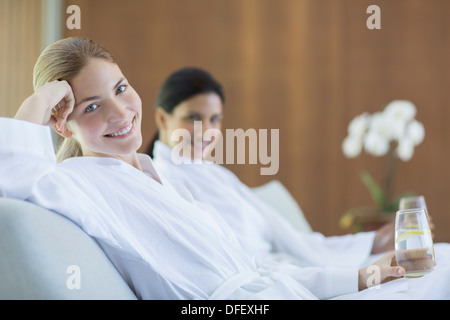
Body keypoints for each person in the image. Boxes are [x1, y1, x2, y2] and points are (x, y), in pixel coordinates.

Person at [0, 37, 405, 300]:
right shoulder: (79, 183)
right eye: (92, 106)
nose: (121, 112)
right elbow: (12, 178)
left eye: (121, 88)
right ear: (60, 120)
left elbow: (257, 270)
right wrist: (47, 94)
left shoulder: (160, 177)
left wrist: (361, 276)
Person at [149, 67, 393, 270]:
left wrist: (370, 243)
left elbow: (287, 236)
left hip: (284, 271)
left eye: (214, 119)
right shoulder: (163, 182)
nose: (206, 131)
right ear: (162, 118)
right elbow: (230, 261)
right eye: (193, 118)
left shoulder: (212, 173)